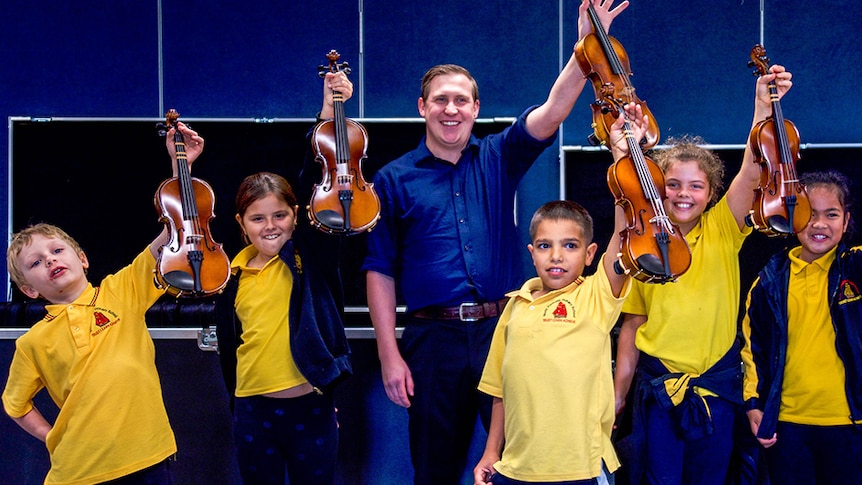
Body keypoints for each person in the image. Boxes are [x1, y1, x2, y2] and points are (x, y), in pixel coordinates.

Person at [362, 0, 630, 481]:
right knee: (434, 466)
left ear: (475, 108)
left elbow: (552, 112)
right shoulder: (391, 180)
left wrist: (585, 48)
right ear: (423, 107)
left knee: (514, 464)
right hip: (431, 340)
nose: (451, 109)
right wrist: (389, 354)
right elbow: (380, 269)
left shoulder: (498, 155)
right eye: (440, 100)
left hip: (504, 330)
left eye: (461, 100)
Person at [611, 64, 794, 484]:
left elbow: (753, 165)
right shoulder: (643, 244)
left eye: (695, 186)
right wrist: (618, 395)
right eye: (672, 184)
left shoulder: (724, 227)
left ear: (711, 194)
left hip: (717, 390)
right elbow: (631, 327)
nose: (683, 194)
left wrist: (761, 105)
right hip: (660, 392)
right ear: (658, 188)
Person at [1, 122, 203, 484]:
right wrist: (52, 437)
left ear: (82, 258)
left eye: (57, 250)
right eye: (35, 263)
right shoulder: (31, 343)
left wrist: (181, 165)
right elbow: (15, 405)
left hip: (148, 459)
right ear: (29, 290)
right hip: (78, 473)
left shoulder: (121, 290)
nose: (49, 260)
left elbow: (175, 230)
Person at [472, 104, 647, 485]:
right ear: (531, 252)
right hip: (516, 471)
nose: (556, 256)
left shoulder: (596, 298)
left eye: (569, 246)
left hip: (581, 469)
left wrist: (620, 153)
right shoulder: (515, 306)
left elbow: (626, 232)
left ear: (589, 255)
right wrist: (490, 452)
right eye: (545, 245)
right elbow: (499, 389)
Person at [211, 71, 353, 485]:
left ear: (297, 217)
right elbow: (228, 352)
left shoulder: (310, 256)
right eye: (258, 218)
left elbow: (315, 182)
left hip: (311, 409)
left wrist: (327, 114)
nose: (270, 226)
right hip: (253, 413)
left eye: (280, 215)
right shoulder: (230, 275)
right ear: (241, 223)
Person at [741, 170, 862, 484]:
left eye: (831, 214)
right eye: (809, 214)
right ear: (791, 216)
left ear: (846, 222)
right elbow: (754, 348)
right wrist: (754, 404)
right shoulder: (769, 280)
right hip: (788, 424)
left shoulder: (856, 267)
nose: (819, 224)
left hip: (851, 423)